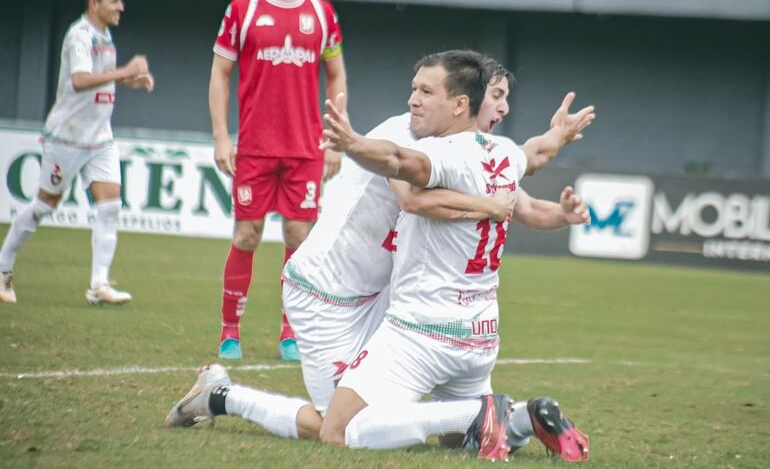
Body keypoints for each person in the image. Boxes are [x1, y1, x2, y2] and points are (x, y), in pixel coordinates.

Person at [166, 53, 592, 461]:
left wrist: (556, 171)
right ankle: (220, 396)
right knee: (336, 424)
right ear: (465, 103)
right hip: (325, 293)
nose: (499, 109)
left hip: (384, 296)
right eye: (495, 96)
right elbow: (412, 196)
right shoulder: (409, 136)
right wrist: (491, 203)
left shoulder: (471, 152)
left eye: (502, 98)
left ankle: (501, 417)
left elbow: (523, 174)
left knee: (385, 430)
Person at [208, 0, 347, 362]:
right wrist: (221, 136)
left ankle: (291, 332)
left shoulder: (322, 13)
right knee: (247, 234)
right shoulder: (243, 10)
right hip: (254, 147)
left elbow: (337, 74)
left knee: (298, 235)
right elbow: (220, 75)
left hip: (305, 149)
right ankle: (230, 332)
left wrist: (335, 139)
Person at [0, 0, 154, 306]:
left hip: (100, 138)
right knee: (44, 206)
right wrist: (125, 72)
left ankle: (98, 285)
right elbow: (82, 80)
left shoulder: (105, 34)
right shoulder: (78, 36)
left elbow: (102, 81)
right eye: (114, 0)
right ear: (94, 3)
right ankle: (2, 270)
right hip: (67, 138)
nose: (120, 6)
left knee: (110, 205)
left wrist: (131, 83)